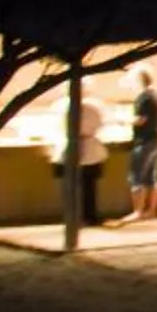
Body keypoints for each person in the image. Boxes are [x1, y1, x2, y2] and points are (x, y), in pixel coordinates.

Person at [115, 70, 157, 225]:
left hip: (144, 141)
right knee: (153, 177)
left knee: (136, 177)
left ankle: (137, 211)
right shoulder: (156, 96)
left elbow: (141, 119)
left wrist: (123, 120)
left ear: (138, 81)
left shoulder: (143, 98)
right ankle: (151, 211)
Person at [55, 93, 106, 225]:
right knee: (89, 187)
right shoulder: (93, 108)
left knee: (72, 187)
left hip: (73, 149)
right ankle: (90, 217)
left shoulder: (64, 107)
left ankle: (73, 216)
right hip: (91, 150)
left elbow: (60, 127)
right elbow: (100, 124)